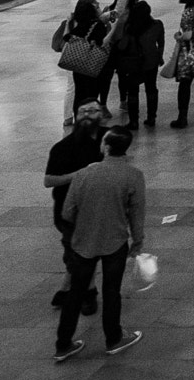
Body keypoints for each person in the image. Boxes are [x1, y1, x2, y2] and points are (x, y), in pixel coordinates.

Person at [53, 127, 146, 361]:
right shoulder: (133, 175)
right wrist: (137, 240)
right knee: (112, 291)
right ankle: (114, 338)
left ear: (106, 147)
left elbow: (67, 211)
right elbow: (137, 213)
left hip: (82, 243)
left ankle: (63, 344)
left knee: (75, 293)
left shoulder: (84, 174)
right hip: (115, 242)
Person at [108, 0, 165, 131]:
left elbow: (121, 46)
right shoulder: (157, 25)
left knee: (133, 92)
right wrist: (159, 57)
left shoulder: (130, 28)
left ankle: (134, 122)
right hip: (151, 62)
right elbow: (160, 43)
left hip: (133, 63)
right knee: (151, 89)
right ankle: (151, 118)